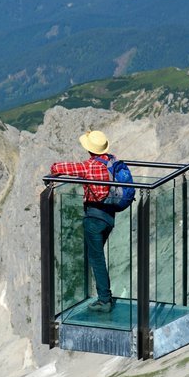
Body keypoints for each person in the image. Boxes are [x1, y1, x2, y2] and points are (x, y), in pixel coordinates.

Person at [50, 130, 116, 313]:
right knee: (97, 255)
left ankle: (104, 300)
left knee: (96, 258)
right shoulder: (111, 161)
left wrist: (53, 171)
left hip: (94, 218)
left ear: (89, 149)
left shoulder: (89, 166)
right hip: (110, 215)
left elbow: (58, 168)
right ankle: (103, 296)